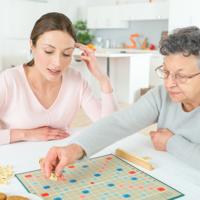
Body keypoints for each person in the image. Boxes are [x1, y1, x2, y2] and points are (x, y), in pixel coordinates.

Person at [41, 26, 200, 178]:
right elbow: (120, 122)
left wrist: (170, 142)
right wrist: (76, 148)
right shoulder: (162, 95)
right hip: (172, 175)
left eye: (181, 76)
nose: (169, 83)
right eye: (166, 72)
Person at [0, 12, 117, 145]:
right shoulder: (9, 80)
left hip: (61, 159)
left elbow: (110, 128)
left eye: (66, 54)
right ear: (32, 45)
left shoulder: (76, 80)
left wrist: (103, 79)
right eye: (49, 51)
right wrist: (26, 134)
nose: (57, 63)